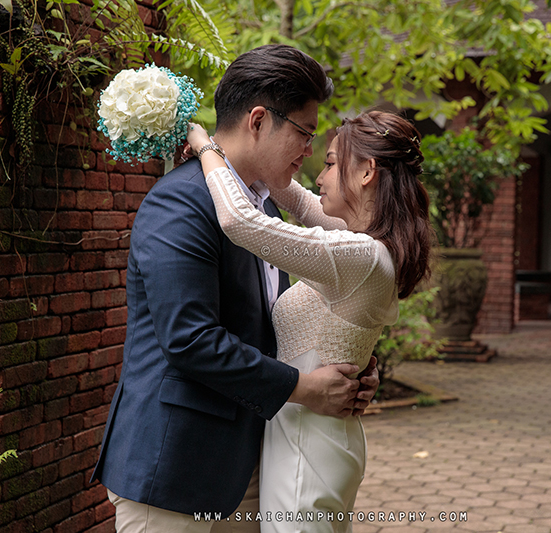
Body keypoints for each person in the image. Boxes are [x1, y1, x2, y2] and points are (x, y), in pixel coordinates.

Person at [91, 44, 380, 533]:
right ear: (259, 121)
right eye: (305, 132)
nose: (309, 151)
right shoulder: (181, 203)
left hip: (246, 463)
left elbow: (275, 323)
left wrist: (351, 366)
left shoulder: (260, 211)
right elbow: (190, 339)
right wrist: (305, 389)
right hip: (175, 466)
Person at [187, 109, 433, 532]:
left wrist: (206, 145)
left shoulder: (361, 257)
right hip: (310, 433)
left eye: (332, 163)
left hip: (310, 445)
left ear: (367, 172)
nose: (319, 177)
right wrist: (256, 156)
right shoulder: (367, 244)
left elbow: (240, 222)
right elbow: (299, 200)